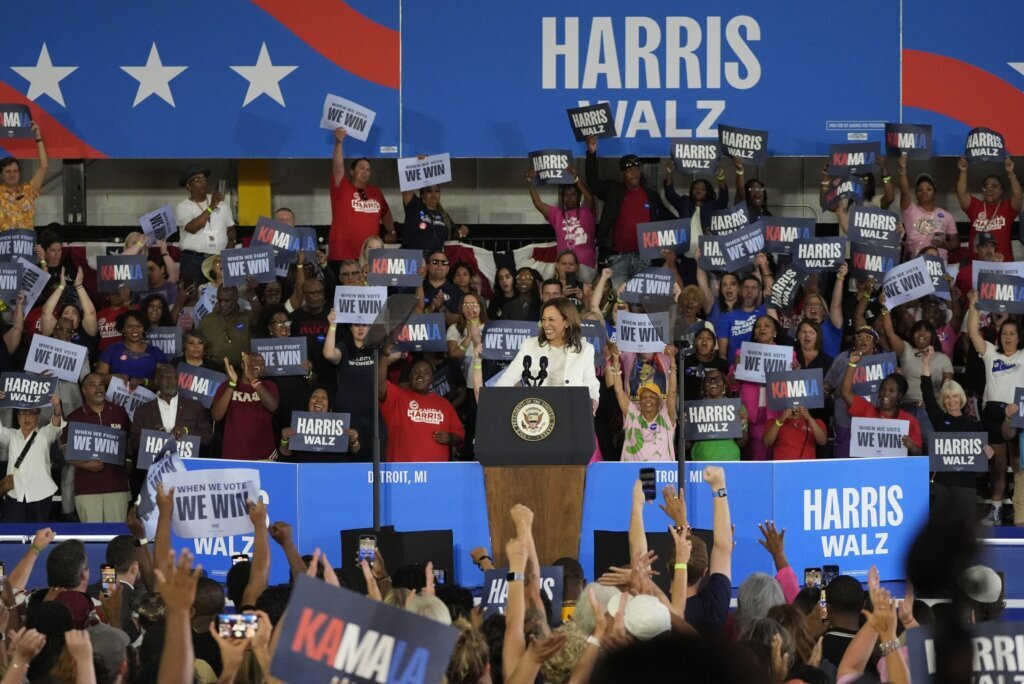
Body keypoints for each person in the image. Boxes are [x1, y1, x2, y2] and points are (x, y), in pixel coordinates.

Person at [473, 297, 601, 412]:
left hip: (571, 411)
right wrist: (494, 399)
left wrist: (593, 399)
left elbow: (590, 381)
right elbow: (510, 377)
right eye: (543, 319)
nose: (546, 324)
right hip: (538, 412)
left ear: (567, 322)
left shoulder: (585, 349)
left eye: (551, 320)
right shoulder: (530, 345)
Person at [966, 290, 1024, 525]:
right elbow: (972, 333)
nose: (1008, 337)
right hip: (992, 411)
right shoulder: (991, 352)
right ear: (999, 336)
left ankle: (1019, 506)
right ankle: (997, 509)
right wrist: (974, 306)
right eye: (1004, 333)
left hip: (1018, 412)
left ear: (1019, 337)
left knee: (1018, 463)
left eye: (1012, 333)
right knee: (998, 464)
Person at [584, 136, 671, 286]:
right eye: (630, 171)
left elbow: (666, 217)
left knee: (642, 302)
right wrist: (591, 153)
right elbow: (592, 181)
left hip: (644, 258)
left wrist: (686, 225)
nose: (634, 174)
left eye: (637, 169)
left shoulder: (651, 194)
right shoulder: (612, 190)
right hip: (617, 258)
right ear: (622, 173)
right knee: (619, 302)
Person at [919, 346, 992, 521]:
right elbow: (928, 395)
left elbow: (982, 459)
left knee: (965, 527)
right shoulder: (939, 420)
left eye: (955, 396)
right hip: (943, 484)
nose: (952, 401)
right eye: (947, 397)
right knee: (941, 527)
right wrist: (926, 363)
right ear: (944, 400)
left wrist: (989, 454)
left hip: (966, 485)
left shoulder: (974, 426)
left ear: (961, 399)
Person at [62, 373, 131, 522]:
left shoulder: (119, 412)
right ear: (84, 390)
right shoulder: (75, 417)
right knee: (92, 539)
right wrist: (85, 465)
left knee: (117, 538)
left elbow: (130, 443)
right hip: (87, 490)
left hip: (117, 487)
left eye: (100, 384)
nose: (98, 388)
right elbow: (65, 451)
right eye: (93, 385)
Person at [378, 347, 464, 462]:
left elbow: (459, 437)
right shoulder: (397, 396)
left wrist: (450, 438)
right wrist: (384, 355)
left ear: (432, 378)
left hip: (436, 473)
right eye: (416, 372)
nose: (420, 376)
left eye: (426, 373)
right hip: (401, 473)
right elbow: (379, 384)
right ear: (409, 377)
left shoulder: (444, 405)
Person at [328, 127, 395, 263]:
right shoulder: (343, 187)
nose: (365, 171)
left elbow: (386, 213)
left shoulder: (376, 192)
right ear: (352, 172)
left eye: (368, 169)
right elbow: (338, 167)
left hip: (369, 257)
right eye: (361, 168)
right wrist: (339, 143)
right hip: (343, 255)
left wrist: (391, 231)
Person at [840, 348, 923, 455]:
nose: (885, 393)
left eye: (891, 391)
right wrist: (852, 364)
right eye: (883, 389)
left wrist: (912, 446)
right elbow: (845, 393)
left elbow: (919, 452)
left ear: (899, 396)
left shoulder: (910, 421)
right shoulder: (867, 410)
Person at [606, 343, 677, 462]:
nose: (647, 399)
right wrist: (616, 359)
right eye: (643, 397)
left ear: (659, 402)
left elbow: (672, 392)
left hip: (661, 475)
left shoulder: (666, 417)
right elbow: (619, 390)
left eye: (652, 397)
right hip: (633, 475)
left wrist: (672, 364)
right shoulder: (632, 416)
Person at [130, 363, 213, 463]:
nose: (171, 380)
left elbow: (207, 437)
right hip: (155, 471)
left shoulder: (195, 407)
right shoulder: (143, 411)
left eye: (174, 376)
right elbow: (134, 444)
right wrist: (152, 435)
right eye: (166, 377)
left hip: (185, 472)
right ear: (156, 381)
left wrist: (186, 431)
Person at [0, 396, 65, 522]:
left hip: (40, 493)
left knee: (38, 533)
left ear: (38, 415)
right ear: (17, 417)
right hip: (15, 493)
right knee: (15, 535)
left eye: (31, 413)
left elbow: (56, 423)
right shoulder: (11, 435)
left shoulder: (45, 434)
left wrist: (57, 406)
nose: (27, 417)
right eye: (23, 413)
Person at [175, 164, 237, 283]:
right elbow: (193, 227)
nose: (203, 182)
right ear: (189, 186)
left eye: (204, 179)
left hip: (218, 259)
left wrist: (230, 247)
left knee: (218, 295)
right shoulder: (183, 207)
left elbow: (231, 229)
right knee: (192, 295)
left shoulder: (222, 204)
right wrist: (211, 206)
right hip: (194, 260)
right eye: (198, 180)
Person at [211, 352, 280, 461]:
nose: (259, 364)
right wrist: (232, 384)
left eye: (262, 363)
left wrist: (252, 380)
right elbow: (216, 416)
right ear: (243, 366)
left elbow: (272, 406)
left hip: (264, 454)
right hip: (233, 454)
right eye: (253, 361)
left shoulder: (269, 386)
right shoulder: (226, 385)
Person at [526, 167, 597, 269]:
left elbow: (589, 197)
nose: (569, 197)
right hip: (564, 267)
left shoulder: (587, 211)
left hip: (586, 265)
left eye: (573, 194)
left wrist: (577, 179)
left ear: (579, 196)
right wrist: (530, 182)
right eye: (566, 195)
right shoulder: (557, 214)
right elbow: (538, 203)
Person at [956, 155, 1022, 260]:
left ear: (1002, 191)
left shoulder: (1007, 208)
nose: (989, 189)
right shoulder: (975, 206)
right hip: (977, 265)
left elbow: (1018, 196)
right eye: (986, 186)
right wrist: (963, 171)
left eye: (994, 186)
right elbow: (962, 194)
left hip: (1003, 266)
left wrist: (1011, 173)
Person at [898, 156, 958, 261]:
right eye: (920, 190)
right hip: (913, 262)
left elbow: (955, 242)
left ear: (935, 193)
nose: (924, 192)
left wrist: (945, 245)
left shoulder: (947, 216)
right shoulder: (910, 210)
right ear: (916, 194)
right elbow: (904, 192)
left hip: (939, 263)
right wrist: (902, 171)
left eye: (928, 189)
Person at [279, 387, 362, 463]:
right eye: (314, 396)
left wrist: (354, 441)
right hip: (304, 472)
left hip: (332, 473)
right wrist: (284, 440)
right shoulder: (297, 424)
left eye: (324, 398)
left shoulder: (340, 425)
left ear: (329, 406)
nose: (319, 400)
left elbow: (355, 452)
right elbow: (286, 455)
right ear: (308, 402)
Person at [96, 310, 168, 389]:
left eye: (139, 326)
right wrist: (115, 377)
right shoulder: (111, 350)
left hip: (150, 400)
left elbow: (164, 382)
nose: (135, 330)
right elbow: (97, 379)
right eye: (130, 326)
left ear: (144, 328)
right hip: (114, 400)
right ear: (123, 329)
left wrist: (144, 381)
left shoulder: (156, 352)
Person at [691, 368, 748, 461]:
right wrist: (685, 427)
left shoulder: (737, 408)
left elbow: (742, 443)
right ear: (704, 386)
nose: (713, 381)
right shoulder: (693, 409)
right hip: (700, 461)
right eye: (708, 379)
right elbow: (687, 445)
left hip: (730, 460)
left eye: (717, 379)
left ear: (724, 385)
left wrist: (741, 427)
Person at [0, 121, 48, 230]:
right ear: (1, 175)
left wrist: (38, 138)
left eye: (15, 171)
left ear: (19, 173)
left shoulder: (28, 191)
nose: (12, 174)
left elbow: (44, 167)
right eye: (8, 172)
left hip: (26, 245)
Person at [197, 285, 258, 371]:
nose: (222, 304)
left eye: (227, 301)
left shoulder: (249, 318)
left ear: (236, 299)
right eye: (219, 300)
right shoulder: (206, 321)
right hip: (213, 374)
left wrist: (254, 298)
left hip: (242, 373)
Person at [401, 183, 468, 254]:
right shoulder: (415, 206)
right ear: (422, 195)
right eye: (429, 191)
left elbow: (455, 235)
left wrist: (461, 232)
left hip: (436, 261)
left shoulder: (444, 216)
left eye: (437, 191)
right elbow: (405, 184)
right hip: (415, 258)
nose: (433, 195)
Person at [446, 292, 486, 384]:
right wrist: (467, 339)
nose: (469, 307)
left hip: (485, 379)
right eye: (466, 304)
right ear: (461, 308)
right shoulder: (454, 328)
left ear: (481, 306)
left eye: (473, 303)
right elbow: (453, 355)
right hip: (464, 381)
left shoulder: (490, 328)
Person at [420, 251, 463, 328]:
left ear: (448, 268)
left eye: (444, 262)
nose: (439, 265)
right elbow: (406, 318)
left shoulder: (457, 292)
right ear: (427, 267)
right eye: (435, 262)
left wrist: (441, 308)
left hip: (447, 338)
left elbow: (459, 322)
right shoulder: (416, 288)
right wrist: (428, 311)